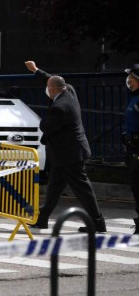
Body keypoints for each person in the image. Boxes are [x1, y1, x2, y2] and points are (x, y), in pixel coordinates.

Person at [24, 69, 106, 233]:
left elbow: (46, 126)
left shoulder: (60, 107)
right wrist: (36, 71)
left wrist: (42, 120)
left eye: (48, 87)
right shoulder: (69, 91)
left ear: (53, 89)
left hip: (70, 155)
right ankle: (42, 219)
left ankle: (98, 223)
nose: (47, 90)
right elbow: (53, 80)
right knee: (54, 188)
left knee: (83, 190)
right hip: (64, 154)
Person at [124, 64, 139, 234]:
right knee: (135, 186)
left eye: (133, 78)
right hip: (132, 149)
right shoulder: (134, 98)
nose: (130, 81)